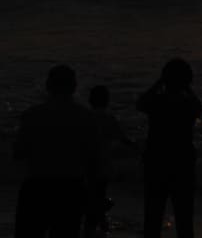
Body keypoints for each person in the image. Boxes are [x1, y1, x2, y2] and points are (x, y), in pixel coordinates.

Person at [13, 64, 101, 238]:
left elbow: (19, 153)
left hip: (37, 187)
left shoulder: (32, 115)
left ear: (48, 86)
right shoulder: (86, 117)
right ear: (74, 87)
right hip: (71, 189)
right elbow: (93, 160)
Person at [136, 59, 202, 238]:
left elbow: (140, 103)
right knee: (184, 220)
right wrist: (187, 88)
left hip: (156, 162)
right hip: (182, 163)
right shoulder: (188, 104)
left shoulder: (157, 101)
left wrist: (159, 82)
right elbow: (199, 108)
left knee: (153, 218)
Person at [84, 85, 134, 237]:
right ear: (106, 101)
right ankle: (98, 222)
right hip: (103, 164)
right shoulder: (108, 118)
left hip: (86, 164)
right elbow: (122, 138)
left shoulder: (84, 117)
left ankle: (96, 222)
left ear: (90, 100)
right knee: (99, 194)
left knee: (92, 195)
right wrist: (137, 146)